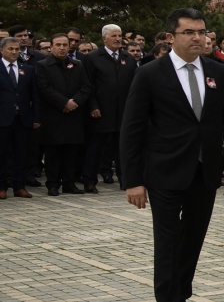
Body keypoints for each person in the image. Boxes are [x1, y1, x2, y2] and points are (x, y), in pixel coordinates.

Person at [119, 8, 224, 302]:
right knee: (168, 243)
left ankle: (182, 299)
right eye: (189, 32)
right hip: (164, 173)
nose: (197, 38)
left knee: (192, 241)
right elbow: (132, 130)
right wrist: (133, 180)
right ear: (170, 37)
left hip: (204, 172)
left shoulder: (218, 71)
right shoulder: (150, 74)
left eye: (201, 32)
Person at [35, 34, 92, 196]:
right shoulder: (43, 65)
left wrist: (75, 102)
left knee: (72, 151)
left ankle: (69, 183)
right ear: (51, 47)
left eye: (64, 45)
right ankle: (53, 184)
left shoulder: (78, 65)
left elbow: (86, 87)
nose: (61, 48)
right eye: (58, 45)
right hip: (53, 115)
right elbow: (44, 88)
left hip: (74, 114)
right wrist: (64, 103)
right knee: (53, 152)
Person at [82, 24, 135, 189]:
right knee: (96, 148)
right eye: (114, 36)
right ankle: (89, 181)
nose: (118, 39)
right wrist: (93, 106)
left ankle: (124, 180)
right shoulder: (93, 58)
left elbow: (134, 85)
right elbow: (87, 85)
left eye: (119, 35)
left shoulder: (128, 58)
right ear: (104, 38)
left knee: (123, 149)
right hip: (101, 112)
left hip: (123, 112)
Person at [0, 37, 38, 199]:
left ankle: (19, 186)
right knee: (1, 154)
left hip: (22, 118)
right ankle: (2, 187)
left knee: (21, 154)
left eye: (17, 49)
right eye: (11, 49)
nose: (14, 52)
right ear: (2, 50)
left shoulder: (27, 69)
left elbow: (34, 96)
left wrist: (36, 117)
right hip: (2, 119)